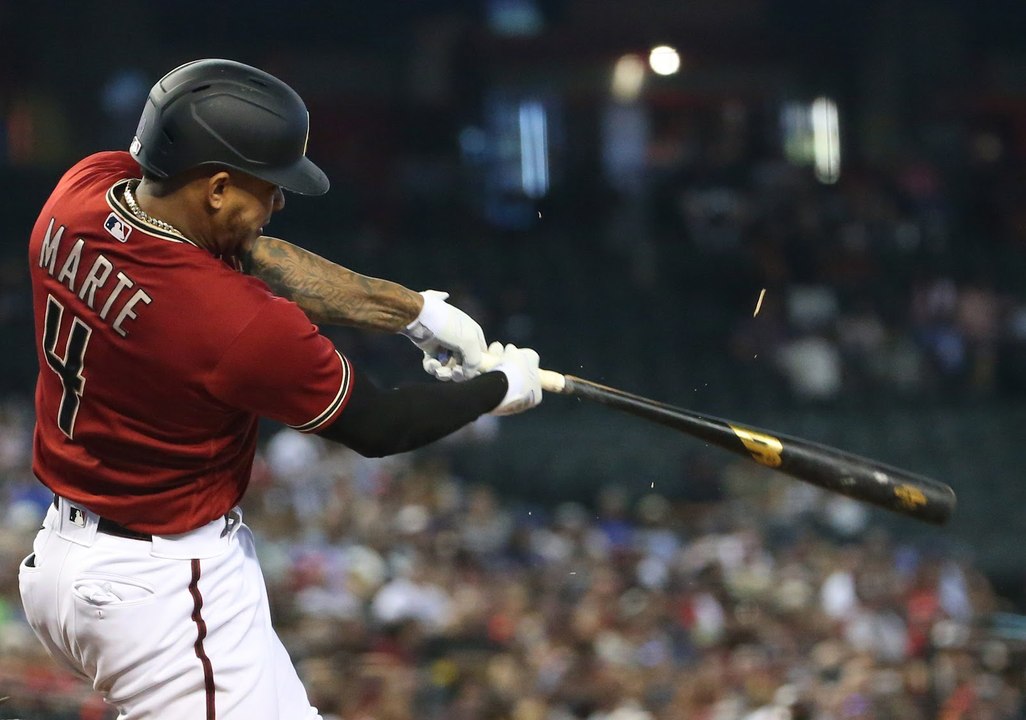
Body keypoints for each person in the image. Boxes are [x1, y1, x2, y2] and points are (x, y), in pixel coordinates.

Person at [19, 58, 542, 720]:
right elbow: (378, 425)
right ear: (213, 188)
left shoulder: (82, 193)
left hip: (72, 556)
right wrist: (498, 389)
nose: (279, 201)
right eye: (267, 185)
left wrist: (416, 313)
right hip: (158, 588)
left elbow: (245, 254)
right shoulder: (234, 323)